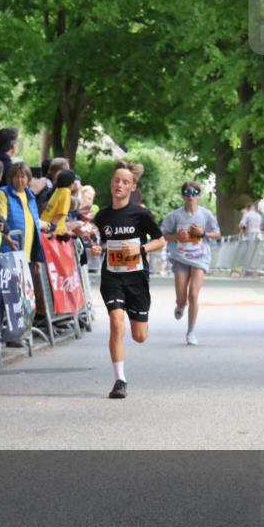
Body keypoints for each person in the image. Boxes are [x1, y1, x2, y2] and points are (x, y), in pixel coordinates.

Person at [90, 166, 166, 399]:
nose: (120, 185)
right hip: (112, 276)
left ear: (132, 187)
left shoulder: (140, 215)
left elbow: (160, 240)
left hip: (136, 278)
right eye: (116, 181)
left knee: (139, 336)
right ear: (111, 184)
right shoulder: (102, 217)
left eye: (125, 182)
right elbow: (100, 244)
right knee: (116, 322)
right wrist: (96, 249)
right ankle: (119, 380)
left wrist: (141, 248)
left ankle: (141, 320)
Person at [160, 181, 220, 346]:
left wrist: (203, 233)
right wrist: (177, 237)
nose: (190, 196)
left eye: (194, 193)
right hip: (180, 257)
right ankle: (180, 305)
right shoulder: (175, 216)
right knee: (182, 297)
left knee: (193, 294)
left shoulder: (206, 214)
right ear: (183, 195)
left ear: (199, 196)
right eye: (187, 193)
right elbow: (163, 235)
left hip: (200, 257)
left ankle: (191, 332)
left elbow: (217, 233)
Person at [0, 161, 47, 263]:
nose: (19, 180)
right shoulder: (3, 193)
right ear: (11, 178)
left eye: (22, 176)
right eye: (16, 176)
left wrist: (37, 256)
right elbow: (1, 219)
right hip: (10, 252)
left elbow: (35, 225)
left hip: (28, 255)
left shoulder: (31, 197)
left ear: (28, 178)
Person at [41, 169, 78, 237]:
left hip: (44, 223)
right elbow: (61, 213)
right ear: (71, 183)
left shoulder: (58, 190)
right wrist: (53, 226)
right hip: (53, 230)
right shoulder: (66, 192)